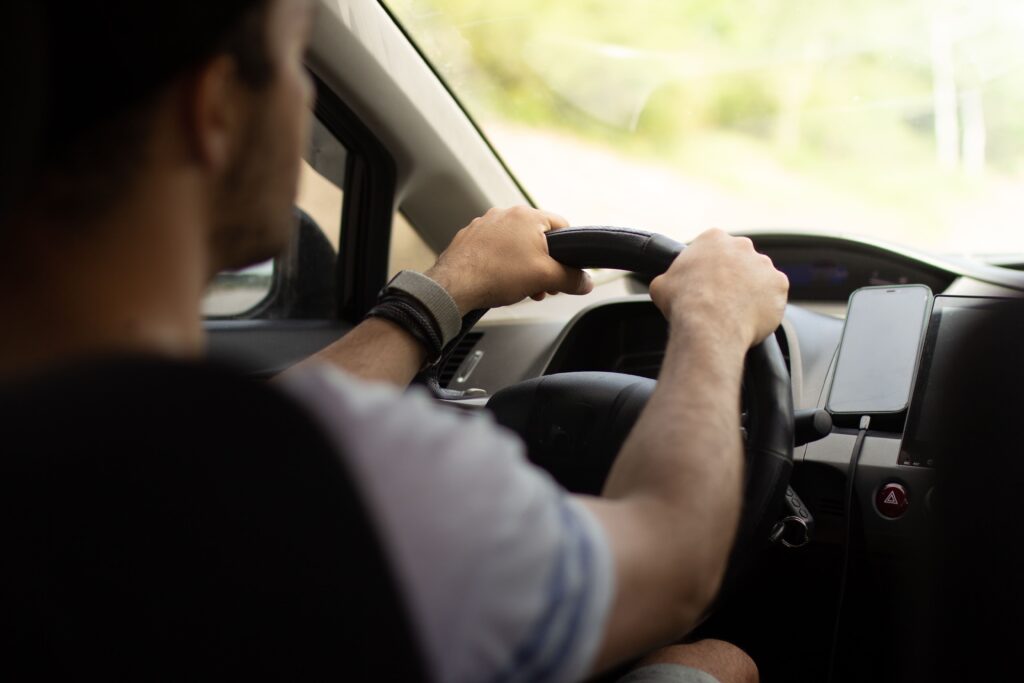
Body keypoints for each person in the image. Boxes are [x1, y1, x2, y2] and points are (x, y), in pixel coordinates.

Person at [0, 1, 787, 682]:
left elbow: (232, 430)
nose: (306, 98)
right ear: (215, 111)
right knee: (720, 661)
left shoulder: (91, 443)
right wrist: (712, 319)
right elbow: (674, 559)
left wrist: (441, 293)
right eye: (296, 59)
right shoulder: (367, 483)